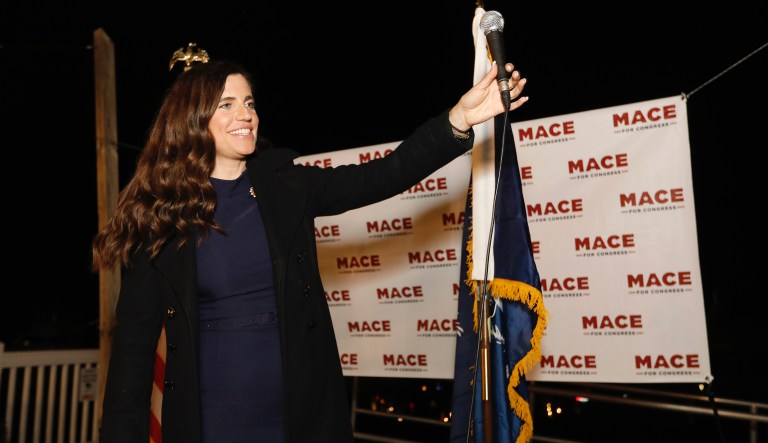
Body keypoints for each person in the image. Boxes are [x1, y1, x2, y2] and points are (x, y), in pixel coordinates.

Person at [92, 58, 527, 443]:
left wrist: (458, 119)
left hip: (302, 414)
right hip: (213, 419)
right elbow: (131, 361)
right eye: (227, 104)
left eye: (249, 103)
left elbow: (384, 174)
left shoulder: (287, 186)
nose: (246, 114)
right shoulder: (161, 220)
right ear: (192, 119)